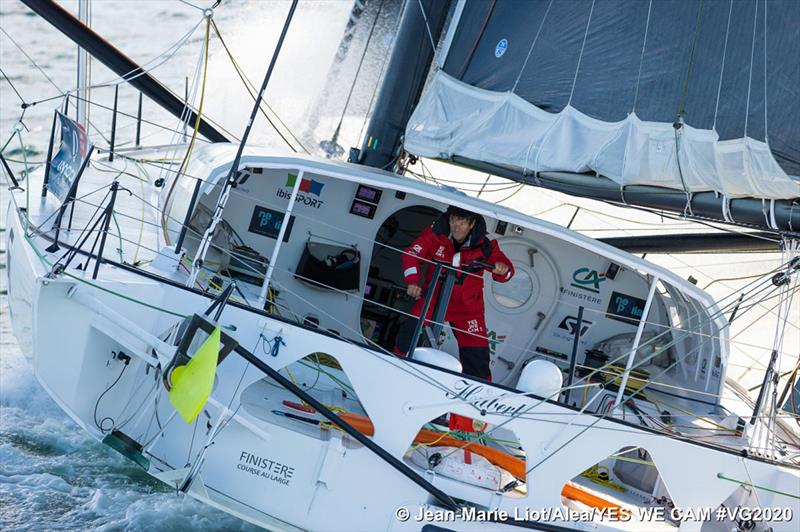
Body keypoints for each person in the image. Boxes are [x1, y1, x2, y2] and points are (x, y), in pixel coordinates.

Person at [394, 206, 515, 382]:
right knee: (407, 337)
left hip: (467, 308)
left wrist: (502, 269)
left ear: (472, 224)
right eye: (453, 221)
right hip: (433, 298)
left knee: (477, 357)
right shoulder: (435, 233)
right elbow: (411, 255)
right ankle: (395, 372)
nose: (456, 227)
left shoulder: (486, 243)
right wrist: (412, 281)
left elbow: (507, 271)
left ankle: (478, 397)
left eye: (462, 222)